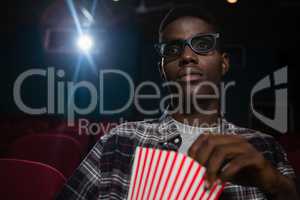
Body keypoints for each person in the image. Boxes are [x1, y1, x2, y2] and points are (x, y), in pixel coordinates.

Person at [56, 5, 298, 200]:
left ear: (224, 63)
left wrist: (275, 184)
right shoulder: (117, 143)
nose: (187, 56)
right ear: (162, 69)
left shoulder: (265, 148)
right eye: (173, 49)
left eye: (202, 45)